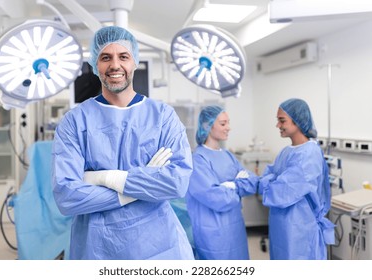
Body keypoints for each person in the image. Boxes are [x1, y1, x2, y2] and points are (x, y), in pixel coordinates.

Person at [51, 25, 194, 260]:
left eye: (123, 56)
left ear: (135, 61)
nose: (115, 65)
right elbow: (67, 196)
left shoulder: (163, 117)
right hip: (97, 248)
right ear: (95, 65)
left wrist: (105, 178)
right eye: (106, 57)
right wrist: (143, 184)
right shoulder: (75, 121)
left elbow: (176, 183)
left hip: (158, 248)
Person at [258, 98, 335, 260]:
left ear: (298, 121)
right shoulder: (286, 151)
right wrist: (270, 180)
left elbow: (280, 190)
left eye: (282, 120)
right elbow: (269, 177)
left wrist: (269, 181)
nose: (277, 125)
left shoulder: (309, 154)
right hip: (281, 226)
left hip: (299, 228)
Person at [185, 105, 258, 260]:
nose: (229, 128)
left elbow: (252, 182)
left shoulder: (228, 156)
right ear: (208, 126)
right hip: (212, 233)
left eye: (228, 123)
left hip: (235, 227)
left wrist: (231, 185)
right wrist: (238, 185)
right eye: (223, 124)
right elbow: (217, 198)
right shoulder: (198, 160)